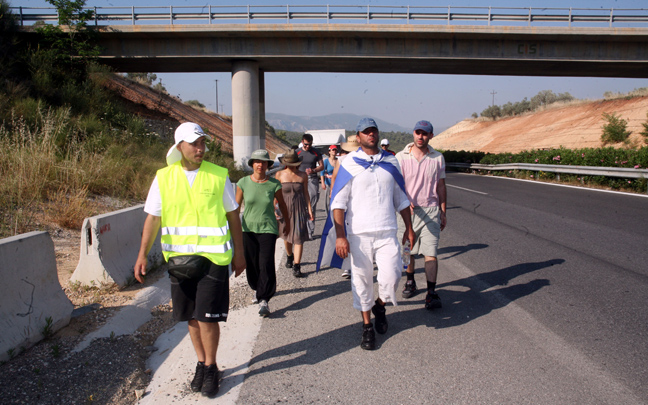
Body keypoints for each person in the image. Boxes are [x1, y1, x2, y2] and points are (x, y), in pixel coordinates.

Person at [134, 122, 245, 398]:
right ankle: (201, 361)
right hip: (180, 260)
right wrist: (142, 255)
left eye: (202, 143)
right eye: (194, 143)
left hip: (213, 258)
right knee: (192, 318)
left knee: (207, 317)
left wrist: (240, 254)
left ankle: (211, 367)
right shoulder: (163, 178)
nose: (200, 148)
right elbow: (153, 218)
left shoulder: (219, 175)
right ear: (179, 146)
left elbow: (233, 216)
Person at [317, 118, 415, 351]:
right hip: (359, 234)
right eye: (366, 132)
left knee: (391, 278)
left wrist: (409, 228)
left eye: (374, 131)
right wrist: (341, 235)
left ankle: (380, 305)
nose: (371, 134)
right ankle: (367, 326)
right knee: (361, 281)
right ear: (359, 136)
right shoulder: (349, 163)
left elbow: (401, 198)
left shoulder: (391, 161)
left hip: (387, 231)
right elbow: (338, 203)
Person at [395, 120, 447, 310]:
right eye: (418, 132)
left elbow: (441, 186)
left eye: (424, 133)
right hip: (406, 212)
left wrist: (443, 211)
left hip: (430, 211)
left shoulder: (438, 158)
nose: (420, 136)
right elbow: (395, 184)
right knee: (407, 250)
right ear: (413, 134)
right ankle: (410, 281)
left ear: (431, 136)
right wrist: (402, 200)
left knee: (430, 252)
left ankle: (431, 293)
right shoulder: (401, 157)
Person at [236, 150, 290, 317]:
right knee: (252, 264)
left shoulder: (274, 184)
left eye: (264, 162)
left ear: (268, 165)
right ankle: (257, 288)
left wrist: (287, 222)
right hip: (248, 229)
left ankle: (264, 298)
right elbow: (235, 207)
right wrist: (233, 229)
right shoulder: (243, 182)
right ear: (252, 164)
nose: (260, 165)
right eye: (257, 162)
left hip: (268, 228)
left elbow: (282, 204)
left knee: (265, 263)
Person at [275, 149, 314, 278]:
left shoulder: (302, 175)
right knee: (286, 236)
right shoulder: (279, 175)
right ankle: (289, 255)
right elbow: (276, 194)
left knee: (298, 238)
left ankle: (297, 266)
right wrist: (274, 207)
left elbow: (306, 194)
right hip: (284, 208)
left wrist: (309, 209)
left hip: (299, 208)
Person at [296, 133, 324, 240]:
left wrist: (313, 170)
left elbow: (321, 166)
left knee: (311, 205)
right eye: (306, 144)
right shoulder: (297, 152)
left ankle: (310, 232)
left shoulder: (316, 152)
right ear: (302, 142)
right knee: (300, 206)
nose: (308, 147)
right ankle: (300, 230)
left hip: (312, 179)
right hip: (299, 179)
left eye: (310, 144)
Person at [320, 145, 338, 215]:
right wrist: (322, 183)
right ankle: (328, 215)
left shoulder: (338, 161)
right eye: (333, 150)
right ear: (329, 152)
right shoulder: (326, 161)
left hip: (336, 183)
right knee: (327, 201)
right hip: (328, 183)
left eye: (335, 150)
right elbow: (322, 172)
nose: (334, 151)